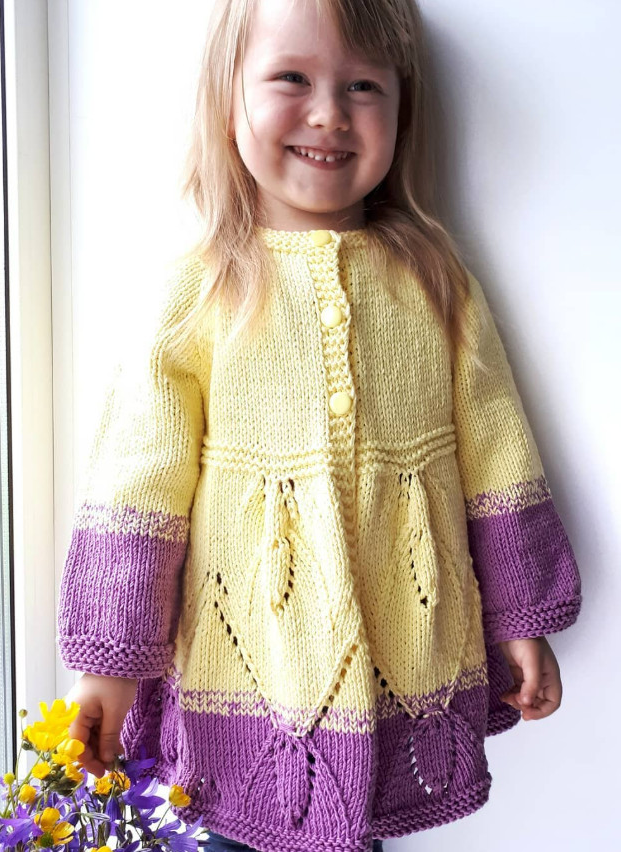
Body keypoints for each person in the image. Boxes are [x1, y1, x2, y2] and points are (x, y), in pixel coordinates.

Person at [57, 0, 582, 850]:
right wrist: (108, 667)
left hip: (399, 668)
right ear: (228, 99)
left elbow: (497, 449)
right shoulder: (200, 293)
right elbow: (137, 487)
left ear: (403, 107)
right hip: (242, 679)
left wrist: (522, 615)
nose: (330, 113)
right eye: (292, 78)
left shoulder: (437, 283)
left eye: (363, 86)